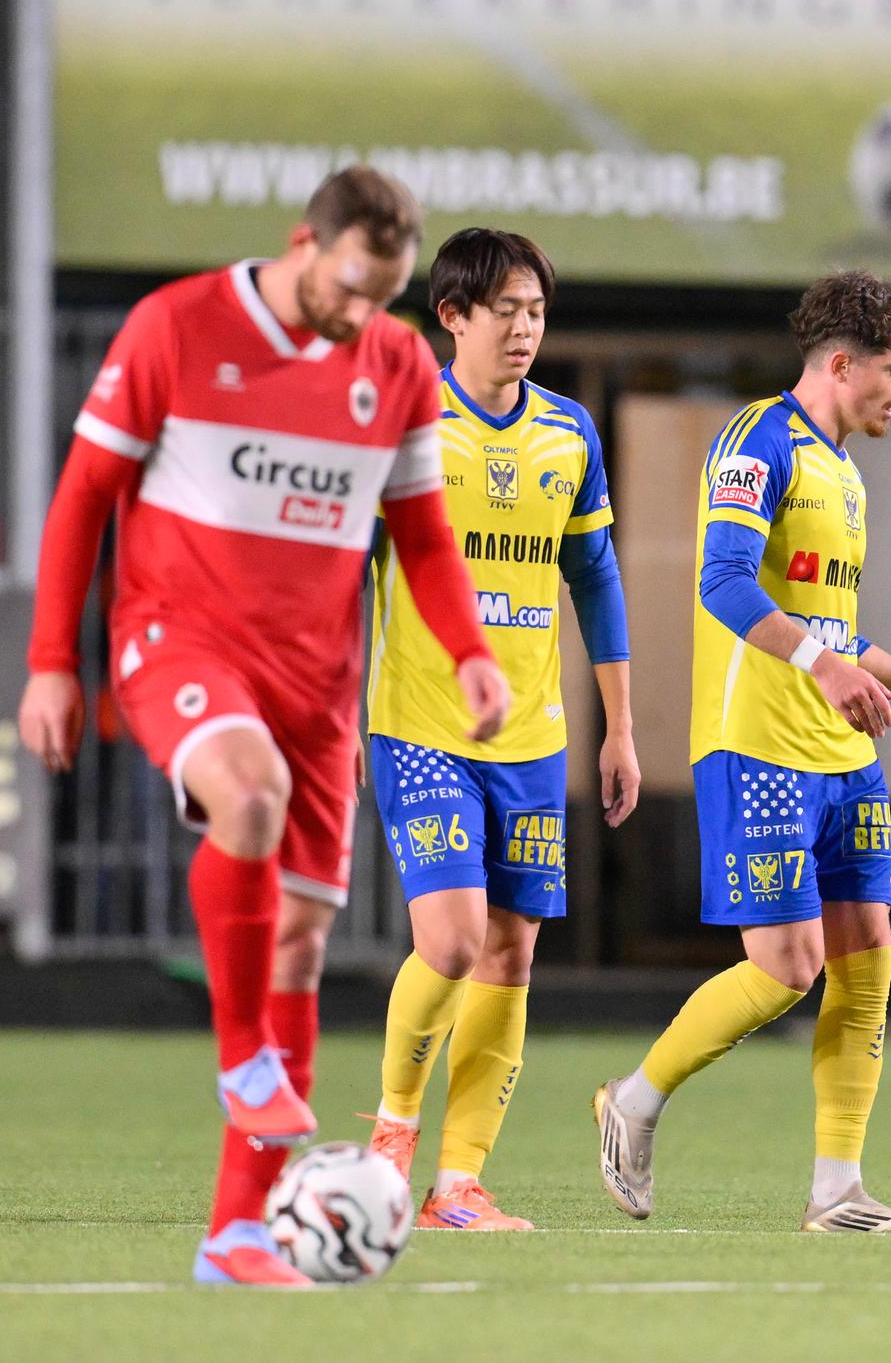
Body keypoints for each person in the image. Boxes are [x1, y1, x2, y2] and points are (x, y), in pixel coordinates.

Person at [18, 168, 510, 1288]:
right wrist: (53, 662)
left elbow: (423, 536)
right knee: (246, 797)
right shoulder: (177, 327)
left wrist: (470, 650)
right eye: (349, 285)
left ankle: (238, 1231)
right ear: (304, 242)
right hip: (178, 638)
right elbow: (84, 494)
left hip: (319, 684)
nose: (361, 314)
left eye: (383, 295)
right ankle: (243, 1058)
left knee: (298, 940)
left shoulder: (392, 364)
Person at [594, 271, 891, 1232]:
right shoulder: (758, 441)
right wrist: (828, 667)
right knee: (787, 969)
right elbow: (721, 583)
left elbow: (834, 626)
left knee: (867, 950)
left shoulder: (847, 473)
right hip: (756, 748)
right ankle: (633, 1100)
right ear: (841, 364)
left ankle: (838, 1190)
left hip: (842, 756)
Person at [362, 229, 638, 1231]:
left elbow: (595, 578)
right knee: (449, 936)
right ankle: (391, 1138)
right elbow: (351, 568)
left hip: (533, 735)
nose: (525, 329)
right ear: (453, 315)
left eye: (536, 311)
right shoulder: (405, 424)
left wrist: (620, 725)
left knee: (512, 953)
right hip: (419, 722)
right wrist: (337, 708)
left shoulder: (568, 435)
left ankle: (459, 1182)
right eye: (506, 310)